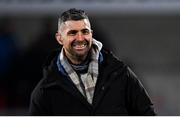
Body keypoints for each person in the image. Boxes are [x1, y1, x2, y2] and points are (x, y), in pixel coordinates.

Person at [29, 8, 156, 115]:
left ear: (91, 34)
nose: (80, 38)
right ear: (59, 38)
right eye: (72, 33)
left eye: (84, 32)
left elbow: (147, 113)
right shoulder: (45, 90)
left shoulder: (121, 75)